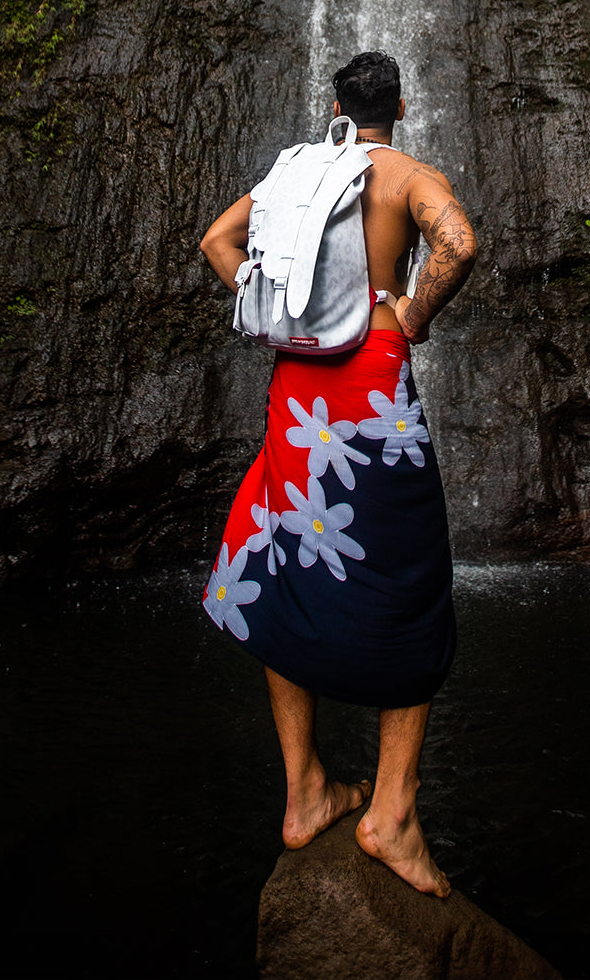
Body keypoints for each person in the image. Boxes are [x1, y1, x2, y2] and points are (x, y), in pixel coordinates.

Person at [199, 51, 477, 898]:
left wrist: (271, 306)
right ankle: (390, 811)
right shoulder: (402, 176)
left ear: (334, 105)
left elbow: (216, 240)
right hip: (371, 398)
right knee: (409, 578)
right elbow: (458, 242)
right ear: (400, 104)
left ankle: (306, 792)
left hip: (297, 396)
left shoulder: (293, 177)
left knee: (284, 562)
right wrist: (410, 312)